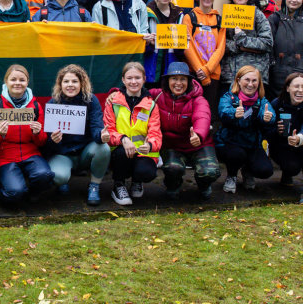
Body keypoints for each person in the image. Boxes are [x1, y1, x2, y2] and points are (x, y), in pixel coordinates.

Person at [0, 65, 53, 205]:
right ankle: (8, 189)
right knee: (14, 194)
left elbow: (42, 142)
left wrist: (37, 133)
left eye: (22, 79)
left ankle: (30, 191)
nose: (18, 83)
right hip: (5, 156)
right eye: (13, 79)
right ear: (6, 82)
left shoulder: (35, 107)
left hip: (31, 153)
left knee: (45, 176)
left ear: (27, 82)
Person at [149, 62, 218, 200]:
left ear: (189, 82)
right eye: (174, 79)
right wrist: (115, 93)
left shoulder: (198, 99)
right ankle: (173, 185)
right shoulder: (156, 96)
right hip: (172, 147)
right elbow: (135, 91)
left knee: (210, 171)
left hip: (199, 145)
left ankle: (203, 184)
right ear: (167, 81)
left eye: (182, 79)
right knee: (172, 168)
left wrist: (198, 134)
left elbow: (202, 116)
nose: (178, 83)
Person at [44, 65, 110, 205]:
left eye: (74, 81)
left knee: (104, 148)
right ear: (60, 84)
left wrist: (101, 136)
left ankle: (94, 186)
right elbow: (46, 142)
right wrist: (53, 140)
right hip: (63, 154)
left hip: (84, 152)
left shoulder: (91, 101)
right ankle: (63, 182)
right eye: (66, 81)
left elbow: (96, 128)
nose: (70, 85)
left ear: (81, 83)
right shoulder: (53, 103)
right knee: (58, 176)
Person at [103, 62, 162, 205]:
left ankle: (137, 181)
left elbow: (156, 133)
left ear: (144, 79)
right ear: (123, 80)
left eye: (137, 78)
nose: (133, 82)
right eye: (129, 78)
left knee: (147, 173)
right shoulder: (113, 101)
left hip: (142, 152)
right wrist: (123, 139)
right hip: (119, 151)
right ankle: (119, 185)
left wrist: (149, 145)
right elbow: (109, 130)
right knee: (122, 153)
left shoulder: (151, 105)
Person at [215, 66, 276, 193]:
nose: (250, 84)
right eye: (247, 80)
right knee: (237, 155)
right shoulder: (229, 97)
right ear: (238, 80)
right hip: (230, 142)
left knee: (265, 170)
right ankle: (232, 175)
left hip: (253, 144)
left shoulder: (261, 100)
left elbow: (270, 113)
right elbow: (223, 111)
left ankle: (247, 171)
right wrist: (234, 113)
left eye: (254, 81)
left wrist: (267, 118)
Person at [267, 73, 303, 203]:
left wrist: (300, 138)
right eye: (296, 86)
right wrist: (276, 129)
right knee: (292, 168)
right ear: (287, 88)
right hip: (281, 147)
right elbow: (267, 130)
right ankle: (287, 173)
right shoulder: (276, 104)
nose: (300, 90)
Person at [182, 0, 227, 116]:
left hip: (213, 73)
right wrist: (200, 71)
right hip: (194, 73)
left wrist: (207, 70)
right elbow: (187, 45)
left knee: (209, 113)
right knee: (191, 112)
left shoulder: (219, 19)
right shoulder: (189, 17)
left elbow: (221, 48)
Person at [219, 0, 273, 90]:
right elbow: (219, 42)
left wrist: (243, 40)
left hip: (253, 77)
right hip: (230, 76)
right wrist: (237, 46)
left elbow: (267, 42)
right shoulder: (226, 15)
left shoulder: (258, 15)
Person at [145, 0, 184, 84]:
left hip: (171, 64)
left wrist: (183, 42)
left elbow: (180, 52)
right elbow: (141, 43)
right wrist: (149, 43)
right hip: (152, 64)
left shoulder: (179, 14)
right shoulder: (146, 13)